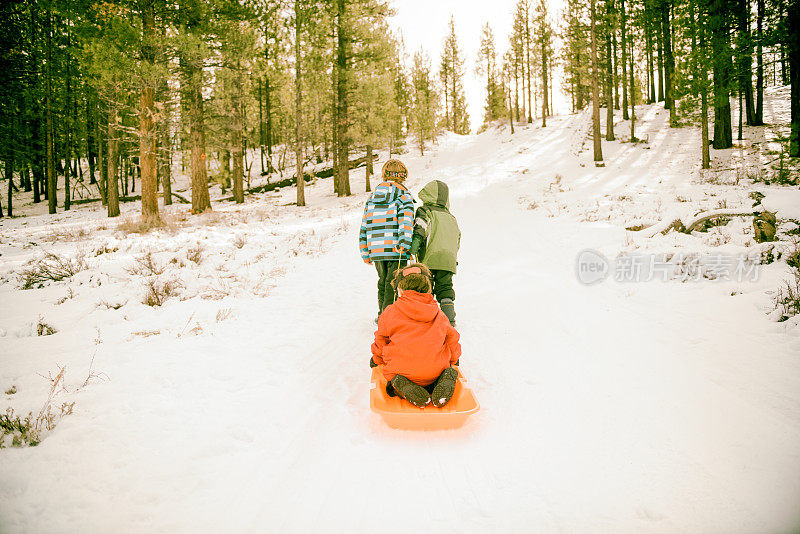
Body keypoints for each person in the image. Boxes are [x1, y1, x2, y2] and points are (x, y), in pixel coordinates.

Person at [369, 263, 461, 408]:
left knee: (392, 383)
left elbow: (381, 340)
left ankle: (399, 386)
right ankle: (440, 381)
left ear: (400, 288)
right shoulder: (438, 313)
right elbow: (452, 339)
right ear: (428, 287)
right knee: (436, 371)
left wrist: (376, 359)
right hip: (434, 371)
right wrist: (454, 360)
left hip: (401, 370)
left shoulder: (390, 311)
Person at [359, 159, 415, 319]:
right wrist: (405, 243)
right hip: (396, 248)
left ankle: (382, 315)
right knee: (394, 283)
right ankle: (388, 318)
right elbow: (406, 221)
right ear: (403, 176)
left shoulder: (372, 197)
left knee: (382, 282)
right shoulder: (404, 196)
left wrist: (365, 251)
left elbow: (364, 225)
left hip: (376, 249)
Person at [409, 180, 461, 326]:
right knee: (445, 287)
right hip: (448, 259)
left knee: (426, 288)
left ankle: (427, 320)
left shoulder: (424, 211)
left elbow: (420, 231)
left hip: (429, 257)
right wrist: (453, 258)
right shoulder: (451, 218)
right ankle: (449, 319)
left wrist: (412, 251)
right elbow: (457, 239)